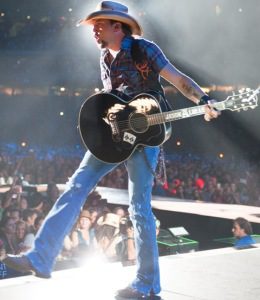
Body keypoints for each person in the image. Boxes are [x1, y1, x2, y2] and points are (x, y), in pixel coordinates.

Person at [2, 1, 219, 298]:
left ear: (117, 26)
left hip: (146, 136)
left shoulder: (144, 49)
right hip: (115, 137)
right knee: (76, 185)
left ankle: (147, 286)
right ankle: (40, 257)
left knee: (139, 208)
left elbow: (178, 79)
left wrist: (203, 99)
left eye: (99, 25)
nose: (94, 31)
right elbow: (111, 99)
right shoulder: (105, 57)